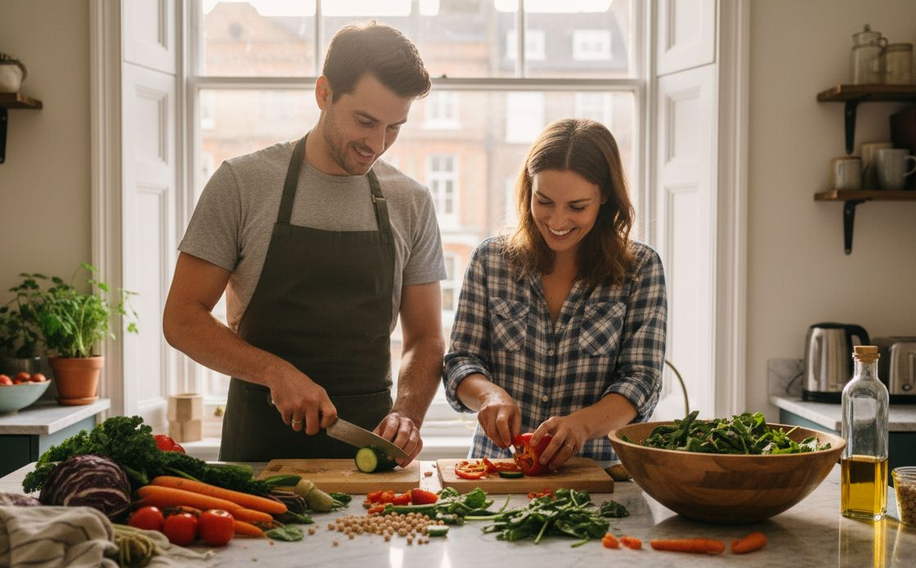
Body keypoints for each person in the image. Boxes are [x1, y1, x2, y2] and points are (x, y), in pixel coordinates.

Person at [164, 22, 446, 465]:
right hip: (258, 455)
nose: (377, 144)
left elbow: (426, 338)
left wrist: (407, 414)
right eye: (365, 121)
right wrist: (274, 372)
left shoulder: (411, 200)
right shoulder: (241, 183)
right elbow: (181, 319)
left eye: (394, 127)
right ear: (324, 93)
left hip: (369, 452)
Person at [443, 118, 667, 470]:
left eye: (577, 206)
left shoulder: (640, 269)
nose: (557, 220)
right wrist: (489, 394)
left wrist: (582, 425)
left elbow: (642, 380)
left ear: (605, 197)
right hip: (497, 472)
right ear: (528, 189)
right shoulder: (491, 260)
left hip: (599, 477)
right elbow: (460, 362)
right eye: (544, 201)